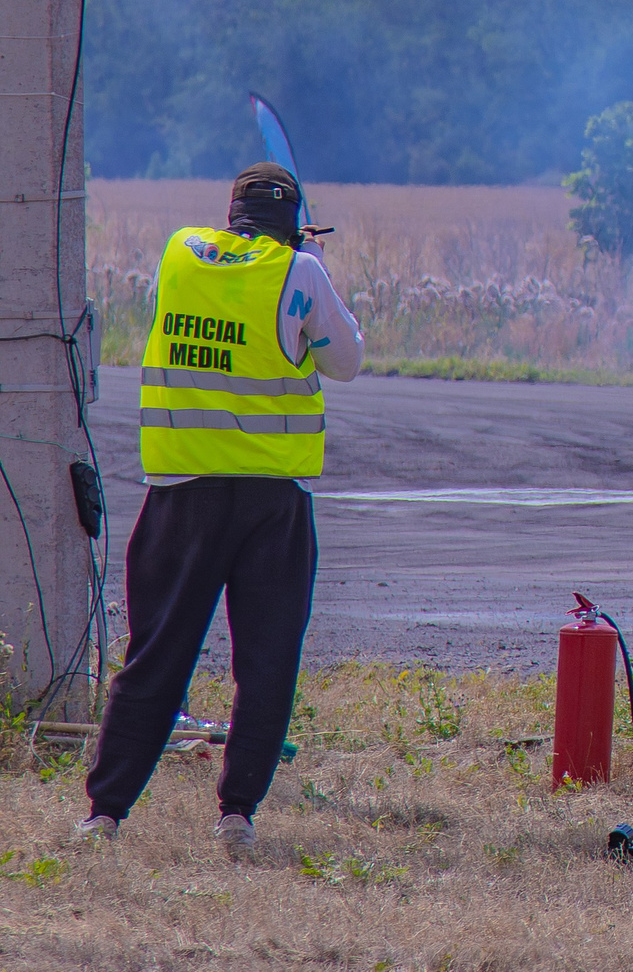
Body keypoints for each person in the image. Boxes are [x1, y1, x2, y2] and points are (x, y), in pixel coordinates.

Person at [76, 163, 363, 848]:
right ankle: (236, 813)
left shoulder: (180, 253)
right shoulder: (301, 273)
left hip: (179, 494)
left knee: (156, 655)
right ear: (294, 223)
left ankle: (104, 811)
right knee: (266, 660)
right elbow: (345, 358)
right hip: (272, 500)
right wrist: (310, 260)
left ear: (231, 211)